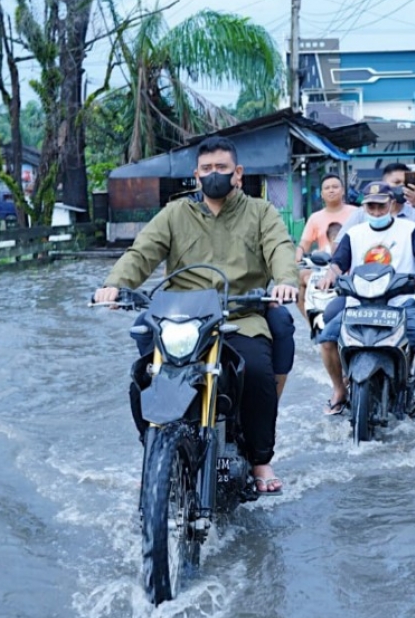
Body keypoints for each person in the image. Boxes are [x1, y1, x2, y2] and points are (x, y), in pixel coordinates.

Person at [93, 136, 298, 495]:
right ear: (196, 175)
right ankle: (157, 455)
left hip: (240, 314)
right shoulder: (175, 213)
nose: (214, 174)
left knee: (258, 374)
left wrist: (284, 281)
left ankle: (261, 459)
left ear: (238, 173)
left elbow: (280, 247)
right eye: (207, 169)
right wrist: (115, 284)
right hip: (181, 320)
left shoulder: (261, 212)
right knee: (145, 376)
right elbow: (142, 252)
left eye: (221, 168)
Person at [315, 183, 415, 413]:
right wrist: (329, 276)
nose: (376, 211)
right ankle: (339, 390)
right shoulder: (354, 234)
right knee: (327, 341)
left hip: (400, 302)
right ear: (364, 207)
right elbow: (338, 263)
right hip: (358, 304)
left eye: (381, 206)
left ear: (391, 203)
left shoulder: (409, 229)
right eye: (371, 206)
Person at [296, 173, 357, 325]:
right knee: (300, 281)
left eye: (335, 187)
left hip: (351, 266)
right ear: (322, 194)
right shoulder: (315, 218)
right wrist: (298, 255)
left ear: (343, 190)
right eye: (327, 188)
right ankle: (313, 323)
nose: (331, 190)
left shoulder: (357, 213)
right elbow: (304, 244)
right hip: (323, 267)